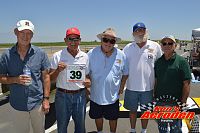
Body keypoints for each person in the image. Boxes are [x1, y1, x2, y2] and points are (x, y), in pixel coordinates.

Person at [0, 20, 50, 133]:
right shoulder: (6, 55)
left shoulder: (40, 53)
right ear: (16, 33)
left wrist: (46, 99)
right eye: (22, 32)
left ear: (32, 35)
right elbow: (1, 77)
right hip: (17, 105)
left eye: (29, 33)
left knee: (40, 131)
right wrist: (15, 80)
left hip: (37, 104)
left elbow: (46, 77)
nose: (25, 36)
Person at [123, 22, 162, 133]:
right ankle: (133, 130)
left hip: (148, 88)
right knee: (132, 111)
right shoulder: (128, 48)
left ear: (146, 31)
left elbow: (160, 64)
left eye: (142, 30)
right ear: (133, 33)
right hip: (131, 87)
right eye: (137, 31)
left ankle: (144, 130)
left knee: (146, 112)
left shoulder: (155, 46)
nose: (140, 33)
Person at [88, 28, 128, 133]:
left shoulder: (121, 55)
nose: (108, 43)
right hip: (96, 95)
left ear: (114, 43)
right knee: (97, 117)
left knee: (113, 118)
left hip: (113, 96)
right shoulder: (92, 53)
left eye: (112, 41)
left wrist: (122, 85)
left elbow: (125, 73)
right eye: (106, 40)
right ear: (101, 40)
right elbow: (86, 72)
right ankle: (100, 131)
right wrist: (86, 86)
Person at [50, 27, 90, 133]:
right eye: (70, 39)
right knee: (62, 126)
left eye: (76, 39)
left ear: (80, 40)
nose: (73, 42)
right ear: (65, 40)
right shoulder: (57, 56)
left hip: (80, 95)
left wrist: (88, 82)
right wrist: (58, 70)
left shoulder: (85, 56)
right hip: (63, 96)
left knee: (80, 126)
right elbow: (50, 78)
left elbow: (88, 75)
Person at [154, 35, 191, 132]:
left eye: (170, 43)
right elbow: (156, 81)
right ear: (161, 46)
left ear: (175, 46)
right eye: (164, 43)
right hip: (160, 102)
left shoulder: (182, 62)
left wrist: (183, 103)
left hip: (175, 103)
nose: (167, 46)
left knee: (176, 129)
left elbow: (186, 84)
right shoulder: (158, 62)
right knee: (162, 128)